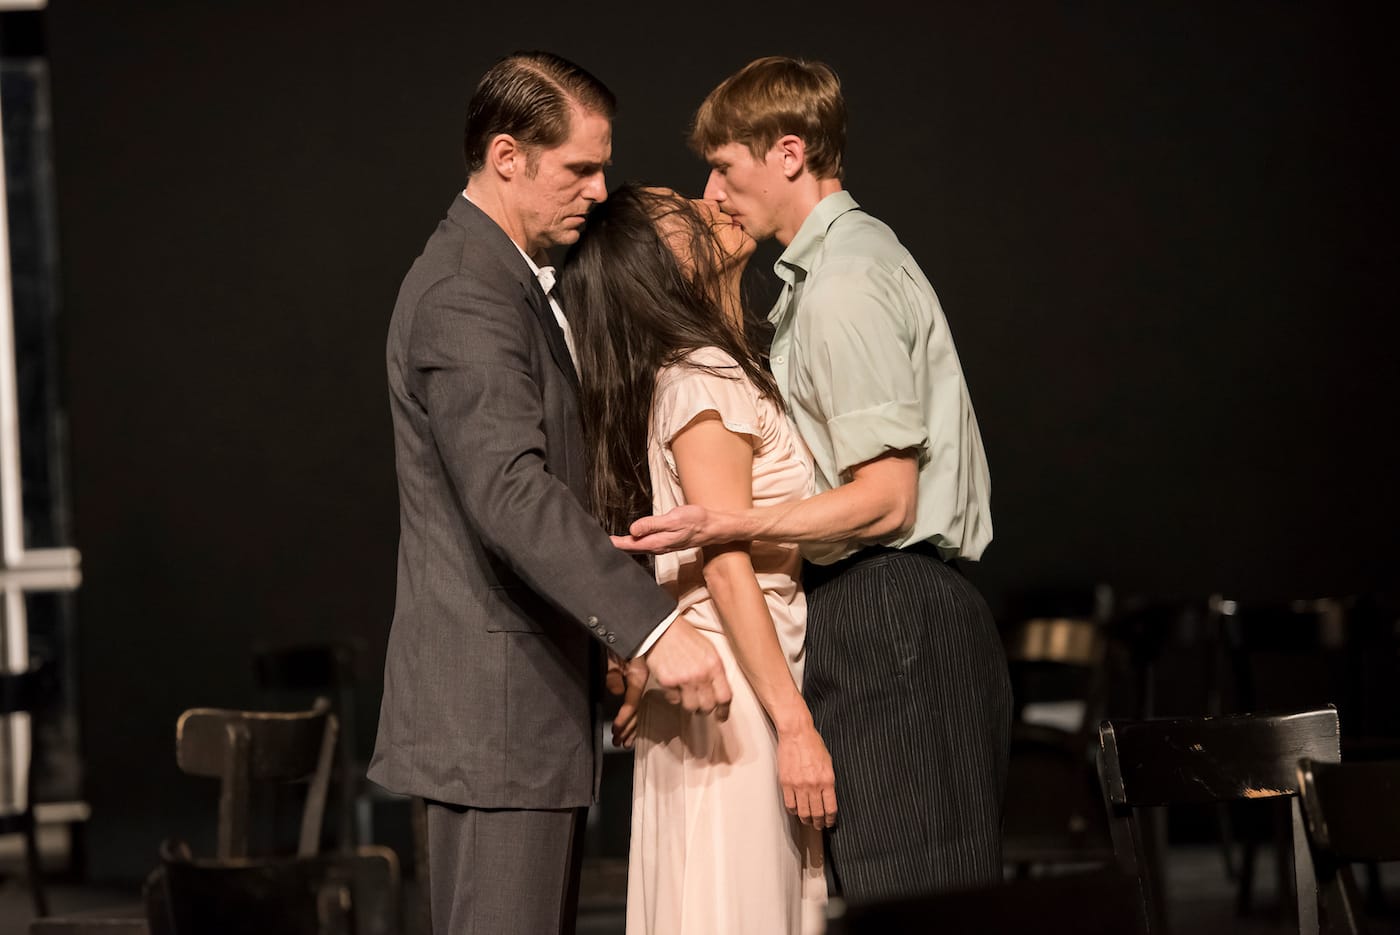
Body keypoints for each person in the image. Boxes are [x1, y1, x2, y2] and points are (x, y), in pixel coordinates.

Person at [615, 57, 1013, 905]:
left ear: (789, 153)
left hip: (892, 608)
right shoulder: (811, 283)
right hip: (863, 612)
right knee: (885, 890)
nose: (714, 191)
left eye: (723, 166)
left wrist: (727, 523)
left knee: (918, 898)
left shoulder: (842, 283)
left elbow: (887, 499)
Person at [367, 52, 733, 935]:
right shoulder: (464, 290)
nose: (602, 191)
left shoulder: (505, 282)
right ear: (506, 157)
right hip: (494, 723)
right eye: (579, 167)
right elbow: (508, 492)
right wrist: (650, 623)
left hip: (523, 711)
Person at [558, 183, 835, 935]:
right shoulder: (704, 374)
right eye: (687, 210)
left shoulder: (703, 366)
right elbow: (724, 562)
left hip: (728, 681)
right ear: (663, 264)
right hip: (738, 692)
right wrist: (795, 723)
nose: (714, 204)